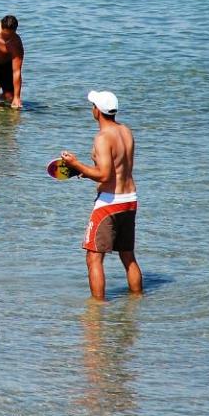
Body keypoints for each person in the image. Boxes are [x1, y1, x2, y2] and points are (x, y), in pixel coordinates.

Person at [59, 90, 143, 301]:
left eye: (93, 105)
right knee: (127, 255)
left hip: (109, 203)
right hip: (129, 199)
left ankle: (97, 309)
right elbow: (116, 169)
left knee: (93, 258)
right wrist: (84, 171)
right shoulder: (125, 131)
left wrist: (76, 164)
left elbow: (105, 175)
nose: (92, 109)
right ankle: (137, 301)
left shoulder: (103, 138)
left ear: (97, 111)